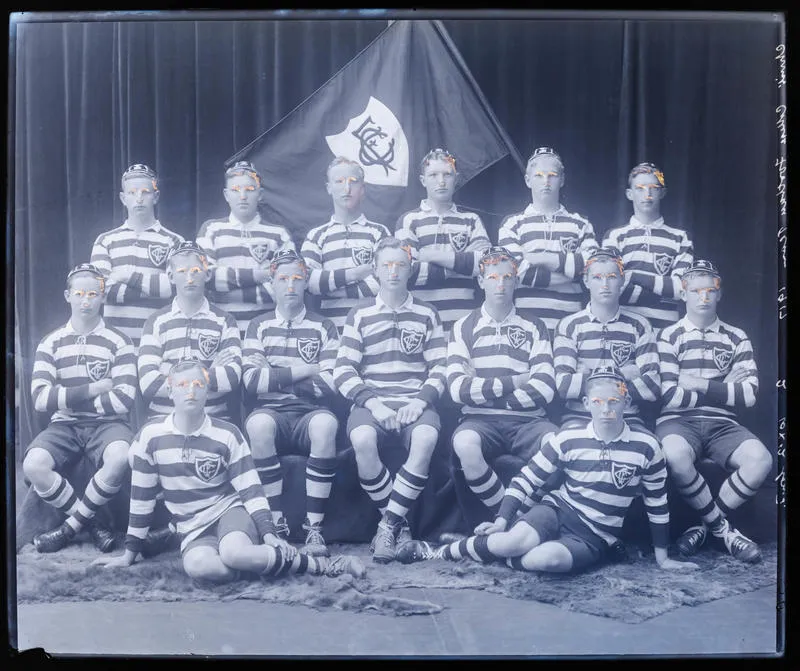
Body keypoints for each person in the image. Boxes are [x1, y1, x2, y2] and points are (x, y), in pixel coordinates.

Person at [396, 366, 698, 574]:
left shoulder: (646, 446)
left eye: (613, 402)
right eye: (597, 402)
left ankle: (481, 550)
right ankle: (436, 551)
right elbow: (527, 479)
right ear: (585, 403)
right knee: (510, 542)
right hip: (557, 509)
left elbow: (657, 504)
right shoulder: (569, 438)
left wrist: (662, 558)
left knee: (546, 560)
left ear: (626, 403)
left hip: (595, 533)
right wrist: (502, 520)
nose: (606, 410)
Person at [92, 360, 365, 583]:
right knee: (202, 569)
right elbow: (142, 499)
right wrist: (130, 553)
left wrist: (268, 532)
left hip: (229, 513)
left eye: (198, 384)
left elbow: (251, 490)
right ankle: (265, 565)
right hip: (192, 528)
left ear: (207, 390)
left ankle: (321, 565)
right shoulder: (149, 437)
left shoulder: (226, 433)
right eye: (183, 385)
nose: (191, 391)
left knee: (234, 554)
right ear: (169, 389)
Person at [334, 237, 447, 563]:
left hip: (414, 402)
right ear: (376, 270)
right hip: (374, 403)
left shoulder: (427, 313)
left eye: (400, 264)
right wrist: (374, 404)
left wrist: (422, 400)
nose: (394, 271)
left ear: (410, 269)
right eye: (387, 265)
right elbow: (343, 370)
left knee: (426, 438)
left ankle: (387, 526)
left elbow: (441, 367)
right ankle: (401, 524)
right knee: (363, 439)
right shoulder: (361, 313)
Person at [656, 260, 770, 563]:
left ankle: (704, 527)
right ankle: (724, 531)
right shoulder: (669, 336)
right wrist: (722, 388)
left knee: (761, 460)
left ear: (719, 294)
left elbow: (748, 396)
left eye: (710, 290)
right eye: (695, 291)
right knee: (676, 455)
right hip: (677, 421)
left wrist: (698, 383)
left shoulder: (736, 336)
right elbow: (669, 394)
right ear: (683, 295)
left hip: (724, 424)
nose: (703, 297)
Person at [24, 264, 137, 553]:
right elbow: (40, 399)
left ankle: (70, 528)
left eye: (93, 294)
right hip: (65, 425)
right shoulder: (51, 342)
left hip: (109, 424)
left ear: (102, 296)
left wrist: (67, 395)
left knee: (121, 456)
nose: (86, 300)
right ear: (67, 296)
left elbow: (123, 399)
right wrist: (92, 388)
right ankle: (92, 523)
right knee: (33, 464)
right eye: (79, 293)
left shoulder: (119, 342)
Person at [242, 249, 340, 556]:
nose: (290, 286)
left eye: (297, 278)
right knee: (257, 425)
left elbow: (331, 382)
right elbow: (252, 382)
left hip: (310, 413)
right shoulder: (257, 325)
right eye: (282, 279)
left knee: (326, 425)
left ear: (306, 283)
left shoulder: (324, 326)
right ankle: (276, 522)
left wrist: (276, 375)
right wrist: (307, 370)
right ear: (270, 284)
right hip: (271, 412)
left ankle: (314, 528)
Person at [447, 246, 558, 517]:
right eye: (494, 277)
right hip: (479, 421)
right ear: (481, 281)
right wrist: (519, 380)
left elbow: (545, 387)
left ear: (517, 281)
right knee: (465, 446)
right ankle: (508, 518)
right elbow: (458, 390)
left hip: (529, 421)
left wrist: (486, 391)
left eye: (508, 277)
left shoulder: (534, 326)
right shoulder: (463, 327)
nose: (501, 284)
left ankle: (515, 518)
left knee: (557, 444)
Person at [554, 246, 660, 428]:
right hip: (580, 417)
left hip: (628, 418)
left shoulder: (640, 325)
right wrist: (622, 373)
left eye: (611, 277)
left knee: (646, 451)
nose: (604, 284)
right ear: (586, 281)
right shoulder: (569, 325)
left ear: (622, 279)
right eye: (597, 277)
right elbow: (564, 386)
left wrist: (587, 375)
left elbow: (651, 387)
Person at [497, 147, 597, 336]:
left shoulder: (580, 224)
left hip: (570, 325)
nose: (546, 181)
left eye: (552, 175)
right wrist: (570, 272)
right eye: (539, 176)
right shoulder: (512, 224)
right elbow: (514, 274)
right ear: (528, 180)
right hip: (525, 325)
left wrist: (538, 258)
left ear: (562, 180)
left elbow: (593, 268)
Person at [138, 241, 242, 421]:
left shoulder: (225, 321)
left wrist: (169, 370)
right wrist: (207, 373)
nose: (190, 278)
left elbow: (231, 377)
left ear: (207, 273)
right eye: (181, 272)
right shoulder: (156, 322)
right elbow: (148, 384)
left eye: (196, 270)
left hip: (213, 419)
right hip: (162, 420)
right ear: (170, 276)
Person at [394, 148, 491, 332]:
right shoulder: (409, 221)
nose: (441, 181)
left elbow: (483, 266)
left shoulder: (471, 220)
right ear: (423, 180)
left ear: (456, 179)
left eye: (447, 174)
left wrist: (429, 255)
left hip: (463, 321)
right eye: (433, 175)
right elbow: (410, 273)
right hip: (420, 322)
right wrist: (462, 260)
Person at [90, 164, 184, 349]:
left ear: (155, 196)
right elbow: (100, 290)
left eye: (145, 192)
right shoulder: (105, 240)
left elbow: (172, 289)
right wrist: (153, 289)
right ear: (123, 198)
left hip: (158, 343)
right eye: (132, 193)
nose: (139, 199)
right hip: (115, 344)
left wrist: (125, 276)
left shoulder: (173, 241)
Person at [196, 161, 295, 335]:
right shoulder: (211, 230)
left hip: (266, 331)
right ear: (226, 195)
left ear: (260, 194)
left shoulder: (279, 234)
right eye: (235, 190)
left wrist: (223, 295)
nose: (242, 196)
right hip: (219, 331)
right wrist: (261, 276)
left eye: (249, 190)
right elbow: (206, 278)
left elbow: (286, 287)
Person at [301, 157, 390, 332]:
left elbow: (383, 282)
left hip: (374, 329)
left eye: (353, 182)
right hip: (331, 332)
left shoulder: (380, 233)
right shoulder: (316, 235)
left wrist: (330, 288)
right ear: (329, 188)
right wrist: (356, 273)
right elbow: (309, 282)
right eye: (339, 181)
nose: (346, 188)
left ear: (362, 189)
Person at [602, 162, 693, 331]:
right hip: (624, 330)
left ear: (662, 192)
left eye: (654, 188)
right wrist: (661, 293)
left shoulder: (680, 238)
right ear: (629, 194)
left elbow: (681, 289)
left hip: (665, 330)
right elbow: (612, 286)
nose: (648, 194)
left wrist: (633, 276)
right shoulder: (615, 236)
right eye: (640, 188)